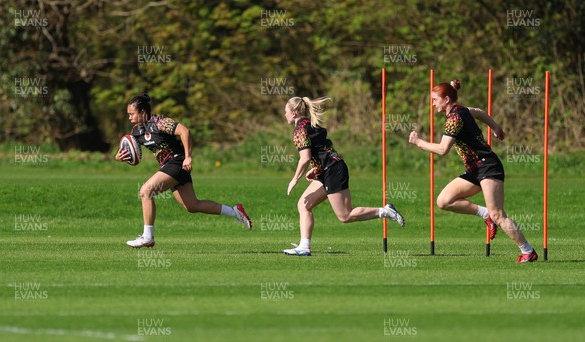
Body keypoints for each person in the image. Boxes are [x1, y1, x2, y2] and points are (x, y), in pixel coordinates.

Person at [408, 80, 537, 262]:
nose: (433, 103)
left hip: (488, 166)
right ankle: (485, 215)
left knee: (498, 214)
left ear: (446, 99)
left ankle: (527, 251)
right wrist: (495, 127)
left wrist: (419, 143)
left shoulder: (455, 119)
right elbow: (478, 112)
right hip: (475, 169)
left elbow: (443, 149)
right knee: (444, 201)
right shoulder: (461, 110)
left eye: (435, 99)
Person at [115, 94, 252, 248]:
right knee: (192, 205)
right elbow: (134, 157)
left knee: (146, 191)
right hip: (168, 167)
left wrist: (188, 156)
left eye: (131, 114)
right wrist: (121, 157)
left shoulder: (160, 122)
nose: (129, 117)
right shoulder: (137, 132)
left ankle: (148, 237)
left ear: (143, 112)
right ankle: (235, 212)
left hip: (178, 162)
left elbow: (184, 132)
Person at [283, 96, 405, 256]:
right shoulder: (311, 124)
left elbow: (305, 158)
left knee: (345, 215)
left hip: (332, 170)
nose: (284, 115)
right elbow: (322, 149)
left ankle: (385, 211)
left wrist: (294, 180)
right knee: (303, 205)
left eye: (285, 111)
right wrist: (316, 168)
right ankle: (304, 247)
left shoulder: (300, 129)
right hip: (327, 169)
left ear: (293, 113)